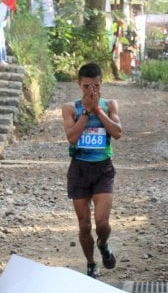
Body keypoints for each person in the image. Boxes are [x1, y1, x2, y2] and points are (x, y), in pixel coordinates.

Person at [61, 63, 122, 279]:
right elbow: (72, 137)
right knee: (85, 224)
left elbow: (117, 132)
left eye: (95, 85)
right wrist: (86, 112)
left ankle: (104, 244)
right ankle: (90, 263)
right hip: (79, 169)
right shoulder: (70, 108)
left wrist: (98, 110)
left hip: (103, 169)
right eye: (87, 86)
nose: (91, 91)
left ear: (101, 84)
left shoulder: (110, 105)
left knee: (102, 223)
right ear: (79, 84)